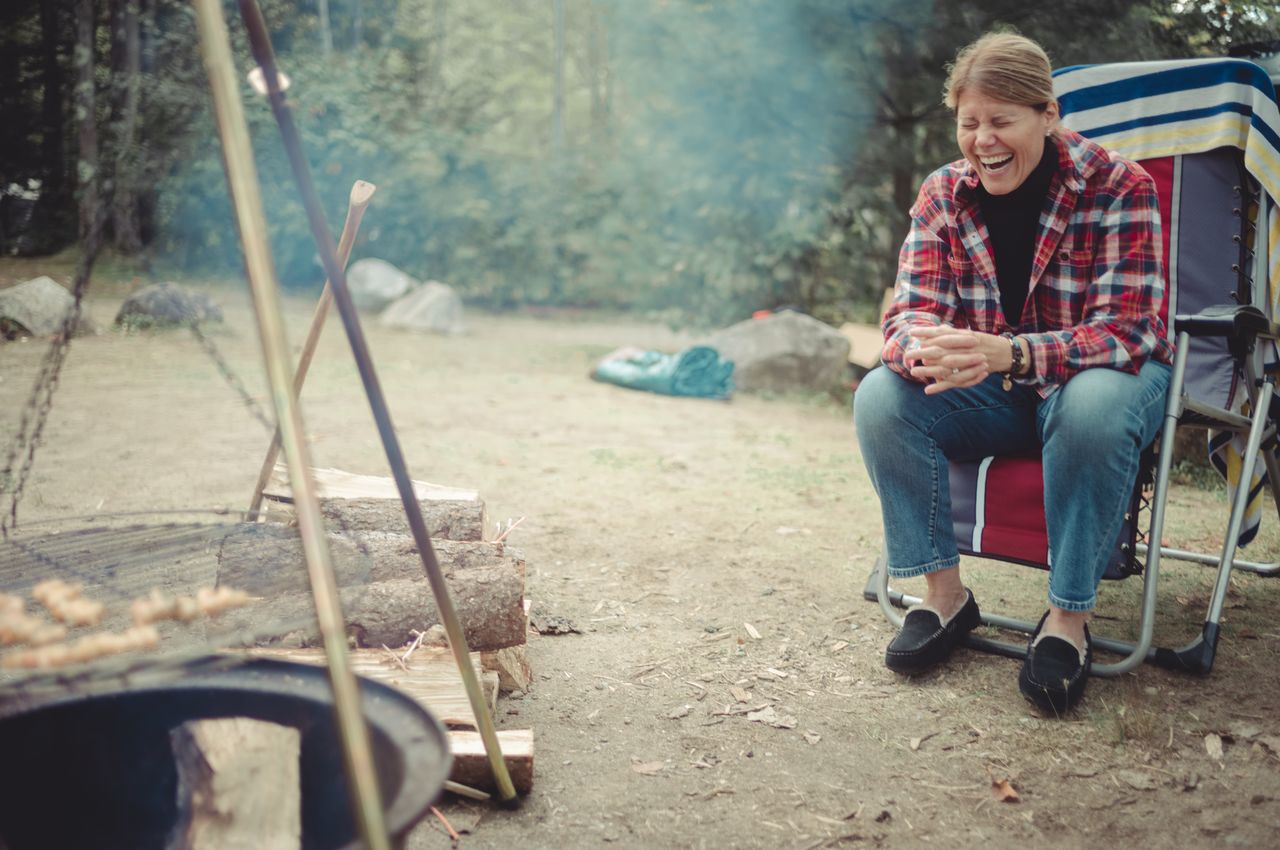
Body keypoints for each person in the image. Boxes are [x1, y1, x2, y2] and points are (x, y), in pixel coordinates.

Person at [853, 31, 1172, 713]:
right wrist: (926, 352)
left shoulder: (1119, 186)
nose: (984, 139)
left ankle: (1067, 620)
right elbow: (909, 313)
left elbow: (1130, 330)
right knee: (883, 395)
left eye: (1002, 121)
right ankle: (944, 598)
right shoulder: (943, 193)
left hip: (1103, 384)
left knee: (1091, 405)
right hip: (995, 393)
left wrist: (1014, 352)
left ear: (1047, 116)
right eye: (970, 123)